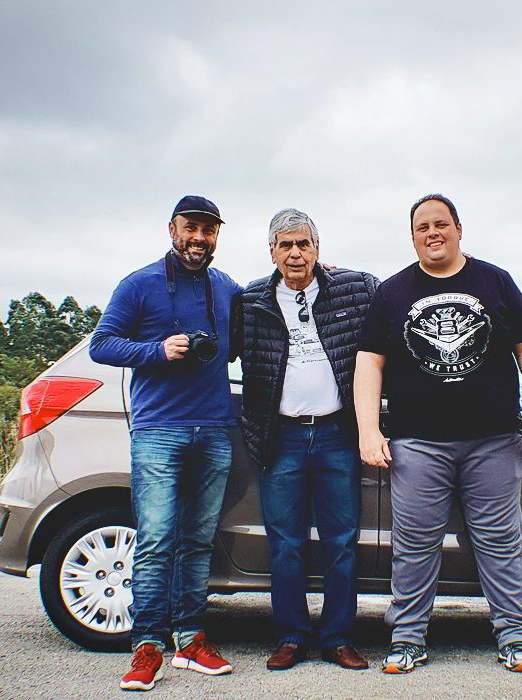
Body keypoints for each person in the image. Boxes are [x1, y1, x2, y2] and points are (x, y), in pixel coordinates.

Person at [353, 193, 522, 674]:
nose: (432, 233)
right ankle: (407, 639)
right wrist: (368, 429)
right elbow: (369, 362)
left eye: (440, 224)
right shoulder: (392, 292)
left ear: (459, 229)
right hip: (417, 443)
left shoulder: (495, 281)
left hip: (493, 440)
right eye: (422, 227)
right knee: (414, 546)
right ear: (412, 237)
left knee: (499, 543)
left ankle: (515, 638)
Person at [90, 195, 243, 692]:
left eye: (208, 230)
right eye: (190, 228)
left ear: (217, 235)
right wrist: (157, 350)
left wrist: (324, 275)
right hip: (159, 429)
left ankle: (191, 639)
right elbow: (101, 345)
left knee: (198, 541)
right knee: (156, 539)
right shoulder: (139, 284)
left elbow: (262, 320)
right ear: (172, 228)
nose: (199, 238)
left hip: (215, 428)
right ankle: (147, 647)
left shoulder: (227, 289)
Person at [233, 208, 379, 671]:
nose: (295, 253)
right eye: (286, 245)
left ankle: (338, 639)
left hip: (337, 433)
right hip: (281, 438)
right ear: (271, 252)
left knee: (342, 542)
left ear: (318, 249)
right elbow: (220, 348)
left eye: (303, 244)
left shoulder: (355, 288)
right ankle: (291, 637)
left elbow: (399, 306)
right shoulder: (250, 300)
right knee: (286, 544)